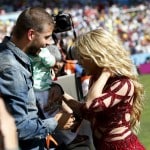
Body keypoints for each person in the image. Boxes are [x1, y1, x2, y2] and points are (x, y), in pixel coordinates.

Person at [0, 7, 75, 150]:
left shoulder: (13, 55)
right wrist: (55, 122)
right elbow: (19, 128)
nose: (50, 42)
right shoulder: (12, 69)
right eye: (47, 37)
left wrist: (55, 88)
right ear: (31, 34)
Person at [63, 28, 145, 150]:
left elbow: (91, 105)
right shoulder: (96, 80)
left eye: (83, 57)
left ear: (96, 57)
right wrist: (60, 93)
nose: (79, 62)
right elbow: (86, 111)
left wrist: (106, 72)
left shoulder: (124, 83)